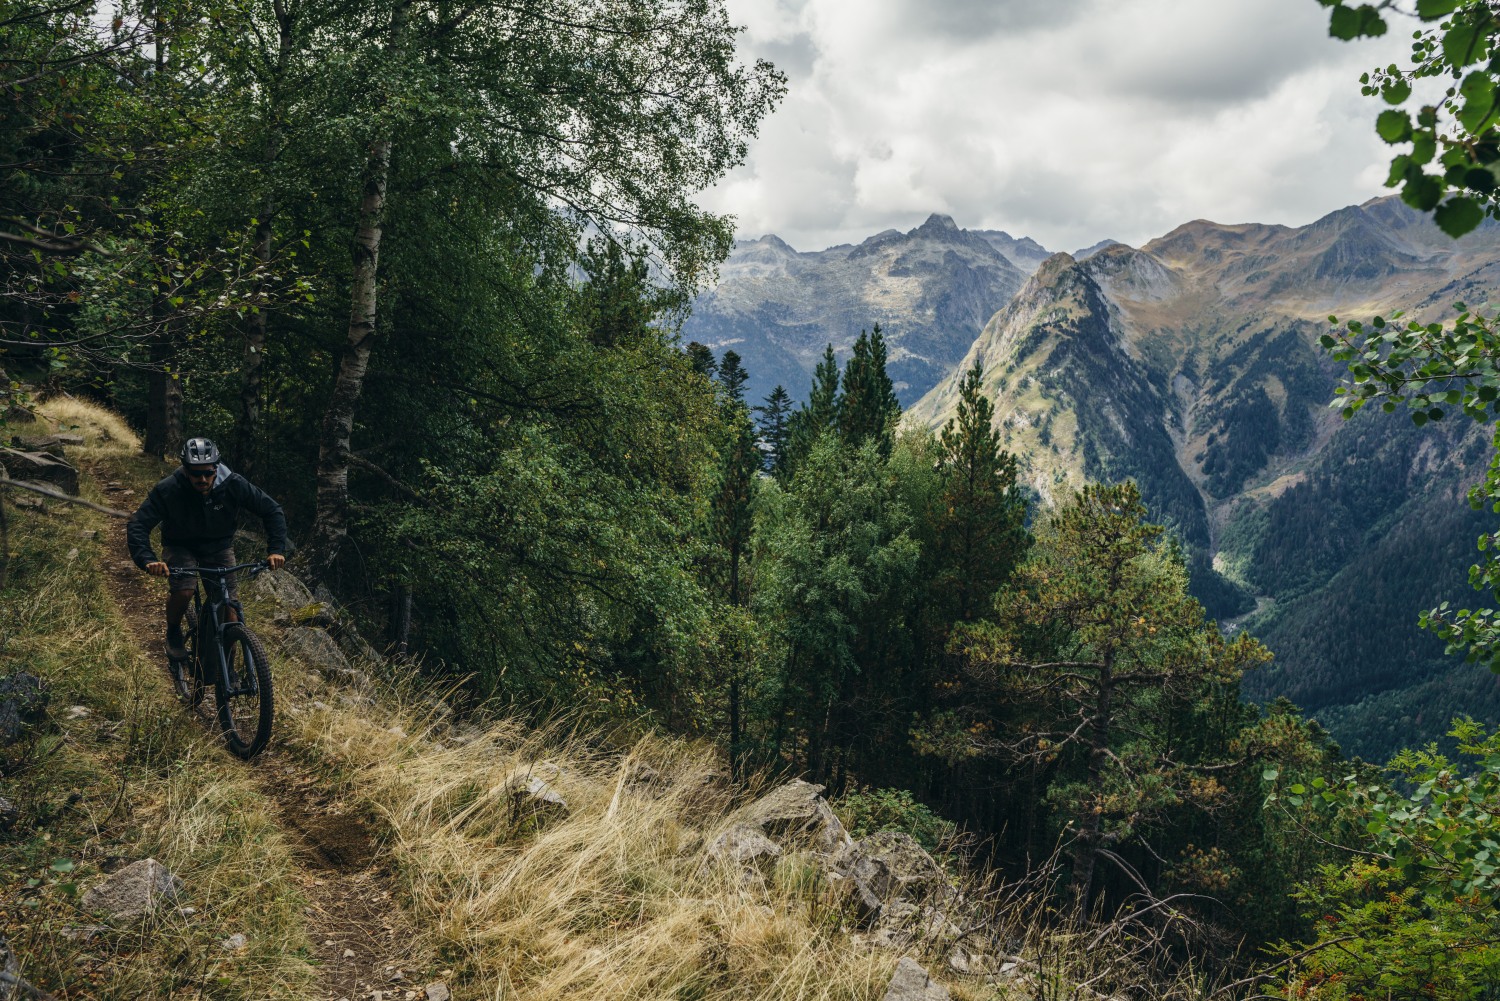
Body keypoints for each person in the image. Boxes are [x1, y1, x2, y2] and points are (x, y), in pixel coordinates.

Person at [126, 437, 288, 660]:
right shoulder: (168, 489)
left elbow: (272, 510)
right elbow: (138, 524)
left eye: (208, 473)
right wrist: (148, 560)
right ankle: (173, 631)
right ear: (185, 470)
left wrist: (276, 549)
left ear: (216, 468)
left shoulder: (232, 483)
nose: (202, 479)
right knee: (184, 590)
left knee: (230, 610)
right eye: (195, 473)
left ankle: (228, 670)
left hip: (219, 546)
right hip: (180, 545)